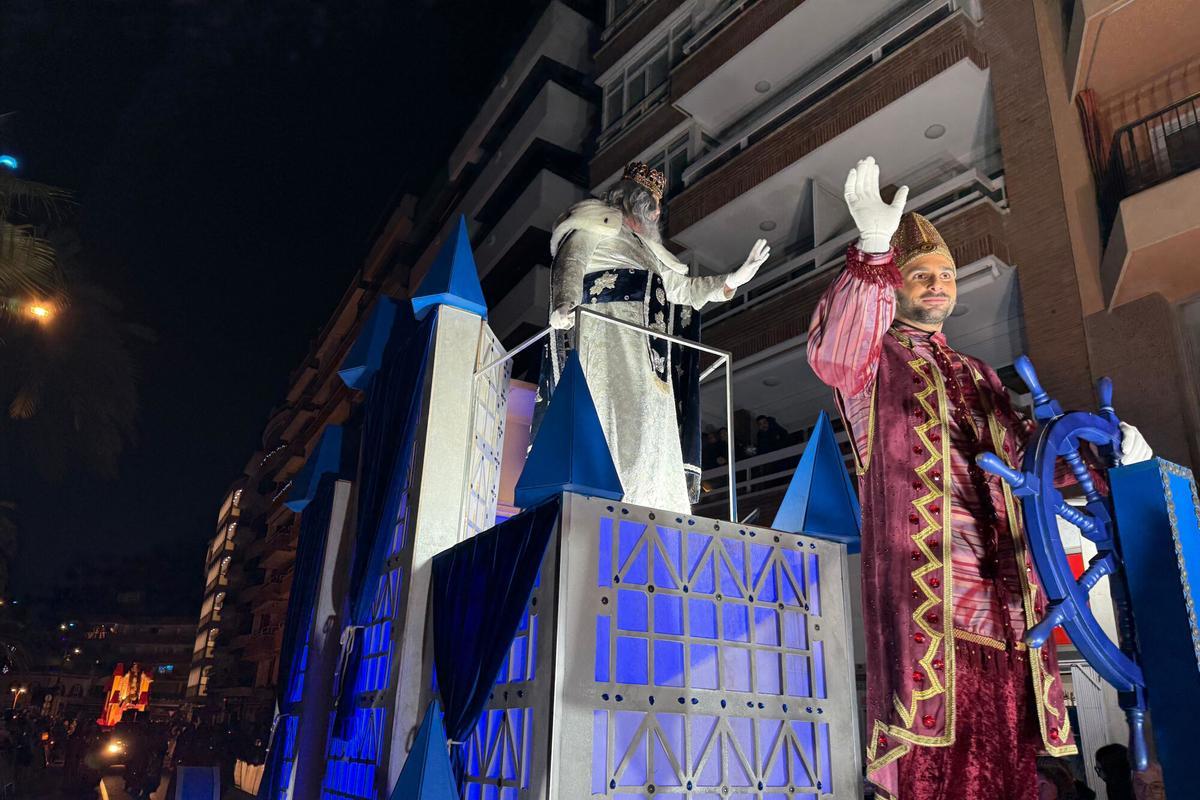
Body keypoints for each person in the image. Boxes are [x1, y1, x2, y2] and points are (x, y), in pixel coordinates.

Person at [807, 157, 1154, 800]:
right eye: (920, 276)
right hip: (930, 586)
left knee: (1014, 758)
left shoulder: (980, 373)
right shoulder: (874, 360)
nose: (937, 285)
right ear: (896, 287)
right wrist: (873, 256)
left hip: (1014, 589)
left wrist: (1118, 468)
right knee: (939, 756)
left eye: (945, 275)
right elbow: (832, 352)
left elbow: (1038, 460)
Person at [545, 162, 769, 512]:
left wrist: (733, 280)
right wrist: (565, 302)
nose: (657, 212)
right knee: (615, 416)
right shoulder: (595, 221)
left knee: (652, 423)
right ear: (633, 200)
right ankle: (613, 498)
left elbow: (680, 289)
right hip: (609, 333)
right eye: (652, 203)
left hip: (650, 346)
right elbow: (572, 261)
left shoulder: (650, 251)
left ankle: (657, 504)